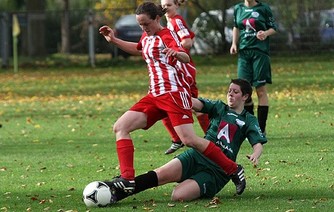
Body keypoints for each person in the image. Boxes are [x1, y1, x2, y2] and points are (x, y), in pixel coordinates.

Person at [99, 2, 245, 195]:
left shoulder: (167, 35)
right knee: (120, 127)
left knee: (189, 140)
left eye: (146, 24)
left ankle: (234, 169)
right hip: (154, 96)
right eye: (140, 25)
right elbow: (139, 48)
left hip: (174, 95)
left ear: (157, 19)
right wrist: (114, 40)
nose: (143, 28)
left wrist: (176, 53)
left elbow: (184, 55)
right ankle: (127, 179)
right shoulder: (147, 36)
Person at [106, 78, 267, 203]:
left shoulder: (249, 120)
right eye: (229, 91)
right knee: (160, 174)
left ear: (245, 96)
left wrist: (256, 154)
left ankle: (201, 183)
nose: (230, 94)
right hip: (197, 155)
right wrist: (172, 95)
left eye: (235, 92)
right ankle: (115, 192)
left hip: (217, 171)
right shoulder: (219, 107)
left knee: (178, 196)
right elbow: (192, 103)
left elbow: (258, 143)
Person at [161, 0, 210, 155]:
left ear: (177, 5)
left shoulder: (176, 20)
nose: (165, 7)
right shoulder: (170, 23)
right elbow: (191, 37)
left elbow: (187, 42)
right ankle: (178, 139)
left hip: (184, 70)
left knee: (190, 104)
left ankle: (213, 137)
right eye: (163, 5)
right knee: (171, 102)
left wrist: (176, 52)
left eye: (169, 4)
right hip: (179, 69)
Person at [230, 0, 277, 135]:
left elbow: (273, 28)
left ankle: (260, 129)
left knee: (260, 91)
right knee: (243, 90)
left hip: (260, 53)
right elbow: (236, 27)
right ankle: (251, 126)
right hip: (244, 54)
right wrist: (234, 43)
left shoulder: (264, 8)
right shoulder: (238, 8)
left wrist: (265, 33)